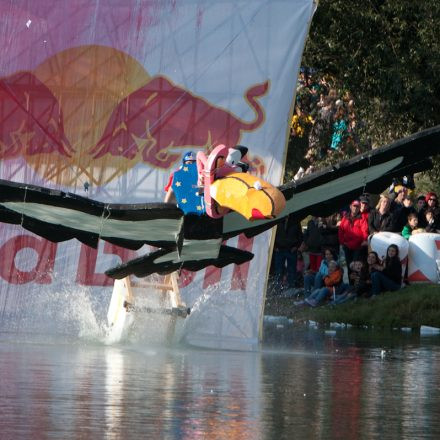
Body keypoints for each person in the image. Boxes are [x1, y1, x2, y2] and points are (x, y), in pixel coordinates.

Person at [338, 200, 369, 278]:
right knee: (348, 266)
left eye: (357, 206)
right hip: (347, 246)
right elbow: (341, 230)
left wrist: (364, 240)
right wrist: (342, 242)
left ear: (359, 208)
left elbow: (364, 231)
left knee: (356, 266)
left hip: (357, 247)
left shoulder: (362, 218)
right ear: (350, 206)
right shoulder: (345, 217)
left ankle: (357, 284)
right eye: (354, 206)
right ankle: (350, 285)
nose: (355, 208)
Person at [273, 217, 303, 291]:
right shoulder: (277, 220)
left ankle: (291, 288)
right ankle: (278, 288)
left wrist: (296, 246)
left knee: (292, 270)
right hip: (279, 249)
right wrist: (275, 247)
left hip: (291, 249)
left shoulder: (295, 221)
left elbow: (300, 235)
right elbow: (273, 234)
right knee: (278, 270)